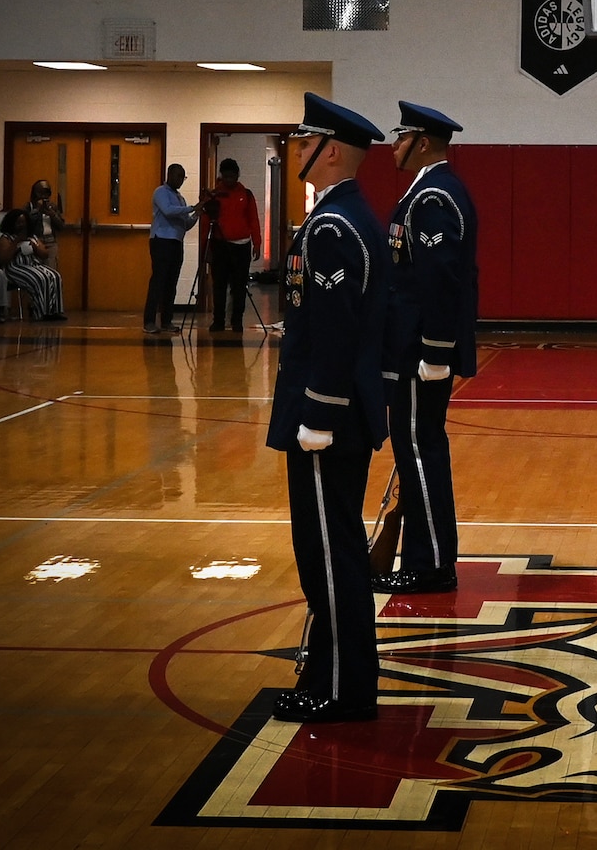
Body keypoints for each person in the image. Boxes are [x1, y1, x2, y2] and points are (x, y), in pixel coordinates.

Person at [266, 92, 389, 723]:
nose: (295, 148)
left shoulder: (335, 228)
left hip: (327, 417)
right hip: (338, 409)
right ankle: (334, 674)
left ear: (330, 149)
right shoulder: (346, 219)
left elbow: (338, 327)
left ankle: (341, 686)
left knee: (328, 553)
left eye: (303, 139)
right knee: (329, 548)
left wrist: (318, 410)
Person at [372, 102, 479, 596]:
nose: (393, 146)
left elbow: (440, 279)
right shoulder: (427, 192)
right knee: (417, 450)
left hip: (420, 354)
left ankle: (431, 563)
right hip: (411, 351)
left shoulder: (435, 196)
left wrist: (436, 352)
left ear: (422, 141)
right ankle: (426, 555)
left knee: (420, 452)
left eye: (400, 137)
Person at [205, 159, 261, 332]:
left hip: (241, 246)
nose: (229, 180)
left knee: (239, 286)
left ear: (237, 175)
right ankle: (218, 321)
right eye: (226, 176)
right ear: (221, 176)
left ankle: (237, 320)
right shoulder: (214, 195)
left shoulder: (247, 194)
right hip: (219, 244)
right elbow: (206, 223)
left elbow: (253, 220)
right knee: (219, 285)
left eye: (232, 176)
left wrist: (257, 244)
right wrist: (205, 248)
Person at [145, 164, 199, 336]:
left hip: (176, 242)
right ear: (169, 174)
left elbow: (186, 224)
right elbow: (168, 212)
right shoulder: (161, 192)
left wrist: (197, 214)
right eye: (178, 176)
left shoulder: (180, 198)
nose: (180, 180)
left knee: (171, 283)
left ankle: (167, 320)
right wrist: (192, 207)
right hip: (161, 241)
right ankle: (149, 321)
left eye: (183, 177)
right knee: (158, 282)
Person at [0, 209, 66, 321]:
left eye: (24, 222)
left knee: (55, 276)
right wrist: (16, 244)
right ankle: (40, 312)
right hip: (15, 268)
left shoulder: (32, 236)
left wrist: (35, 247)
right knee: (40, 278)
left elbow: (45, 254)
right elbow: (3, 259)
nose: (22, 225)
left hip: (33, 265)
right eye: (19, 222)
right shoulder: (6, 238)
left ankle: (54, 310)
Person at [26, 178, 66, 295]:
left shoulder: (52, 207)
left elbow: (61, 226)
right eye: (40, 193)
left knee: (52, 274)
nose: (43, 196)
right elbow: (26, 225)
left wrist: (52, 215)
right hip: (35, 242)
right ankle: (34, 305)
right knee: (36, 275)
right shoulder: (29, 207)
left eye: (46, 193)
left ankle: (52, 304)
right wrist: (38, 211)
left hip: (51, 242)